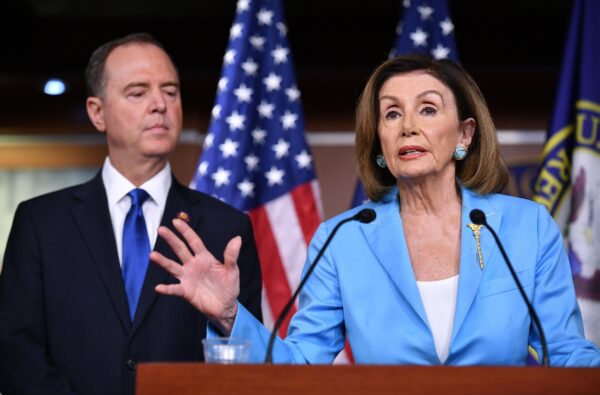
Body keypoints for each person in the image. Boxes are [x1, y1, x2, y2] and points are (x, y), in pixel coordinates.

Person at [151, 54, 600, 367]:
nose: (408, 126)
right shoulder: (343, 238)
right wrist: (229, 314)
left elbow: (567, 353)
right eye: (391, 114)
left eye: (427, 109)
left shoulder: (525, 227)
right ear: (380, 143)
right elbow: (301, 364)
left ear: (464, 135)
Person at [0, 33, 262, 395]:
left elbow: (248, 363)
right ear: (97, 112)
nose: (159, 104)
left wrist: (228, 317)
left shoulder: (226, 227)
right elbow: (15, 354)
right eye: (138, 93)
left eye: (170, 91)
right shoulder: (40, 223)